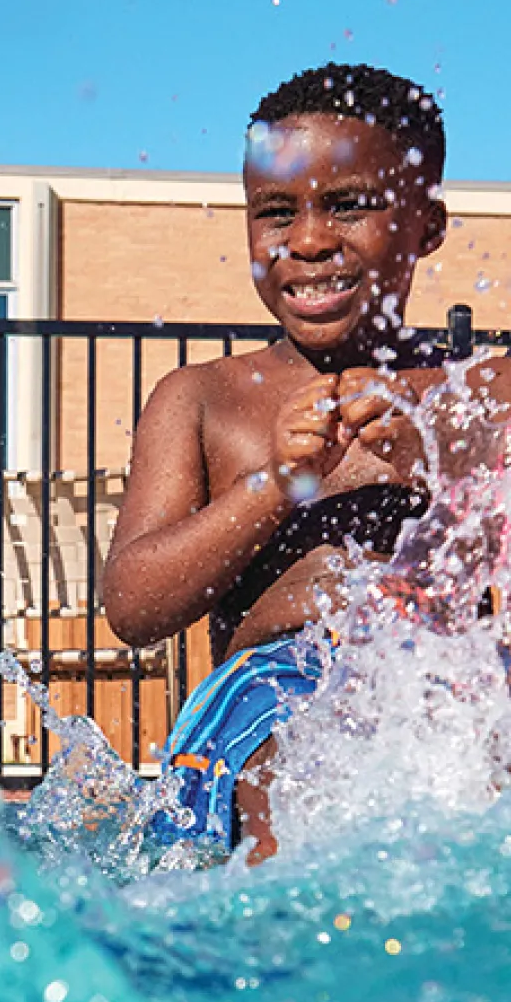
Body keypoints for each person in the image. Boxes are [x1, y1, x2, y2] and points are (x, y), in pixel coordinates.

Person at [104, 63, 511, 862]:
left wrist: (428, 442)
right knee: (288, 772)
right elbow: (133, 605)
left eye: (349, 205)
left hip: (455, 681)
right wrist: (274, 487)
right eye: (276, 212)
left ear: (426, 224)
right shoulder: (203, 398)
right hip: (271, 689)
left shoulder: (481, 388)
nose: (310, 239)